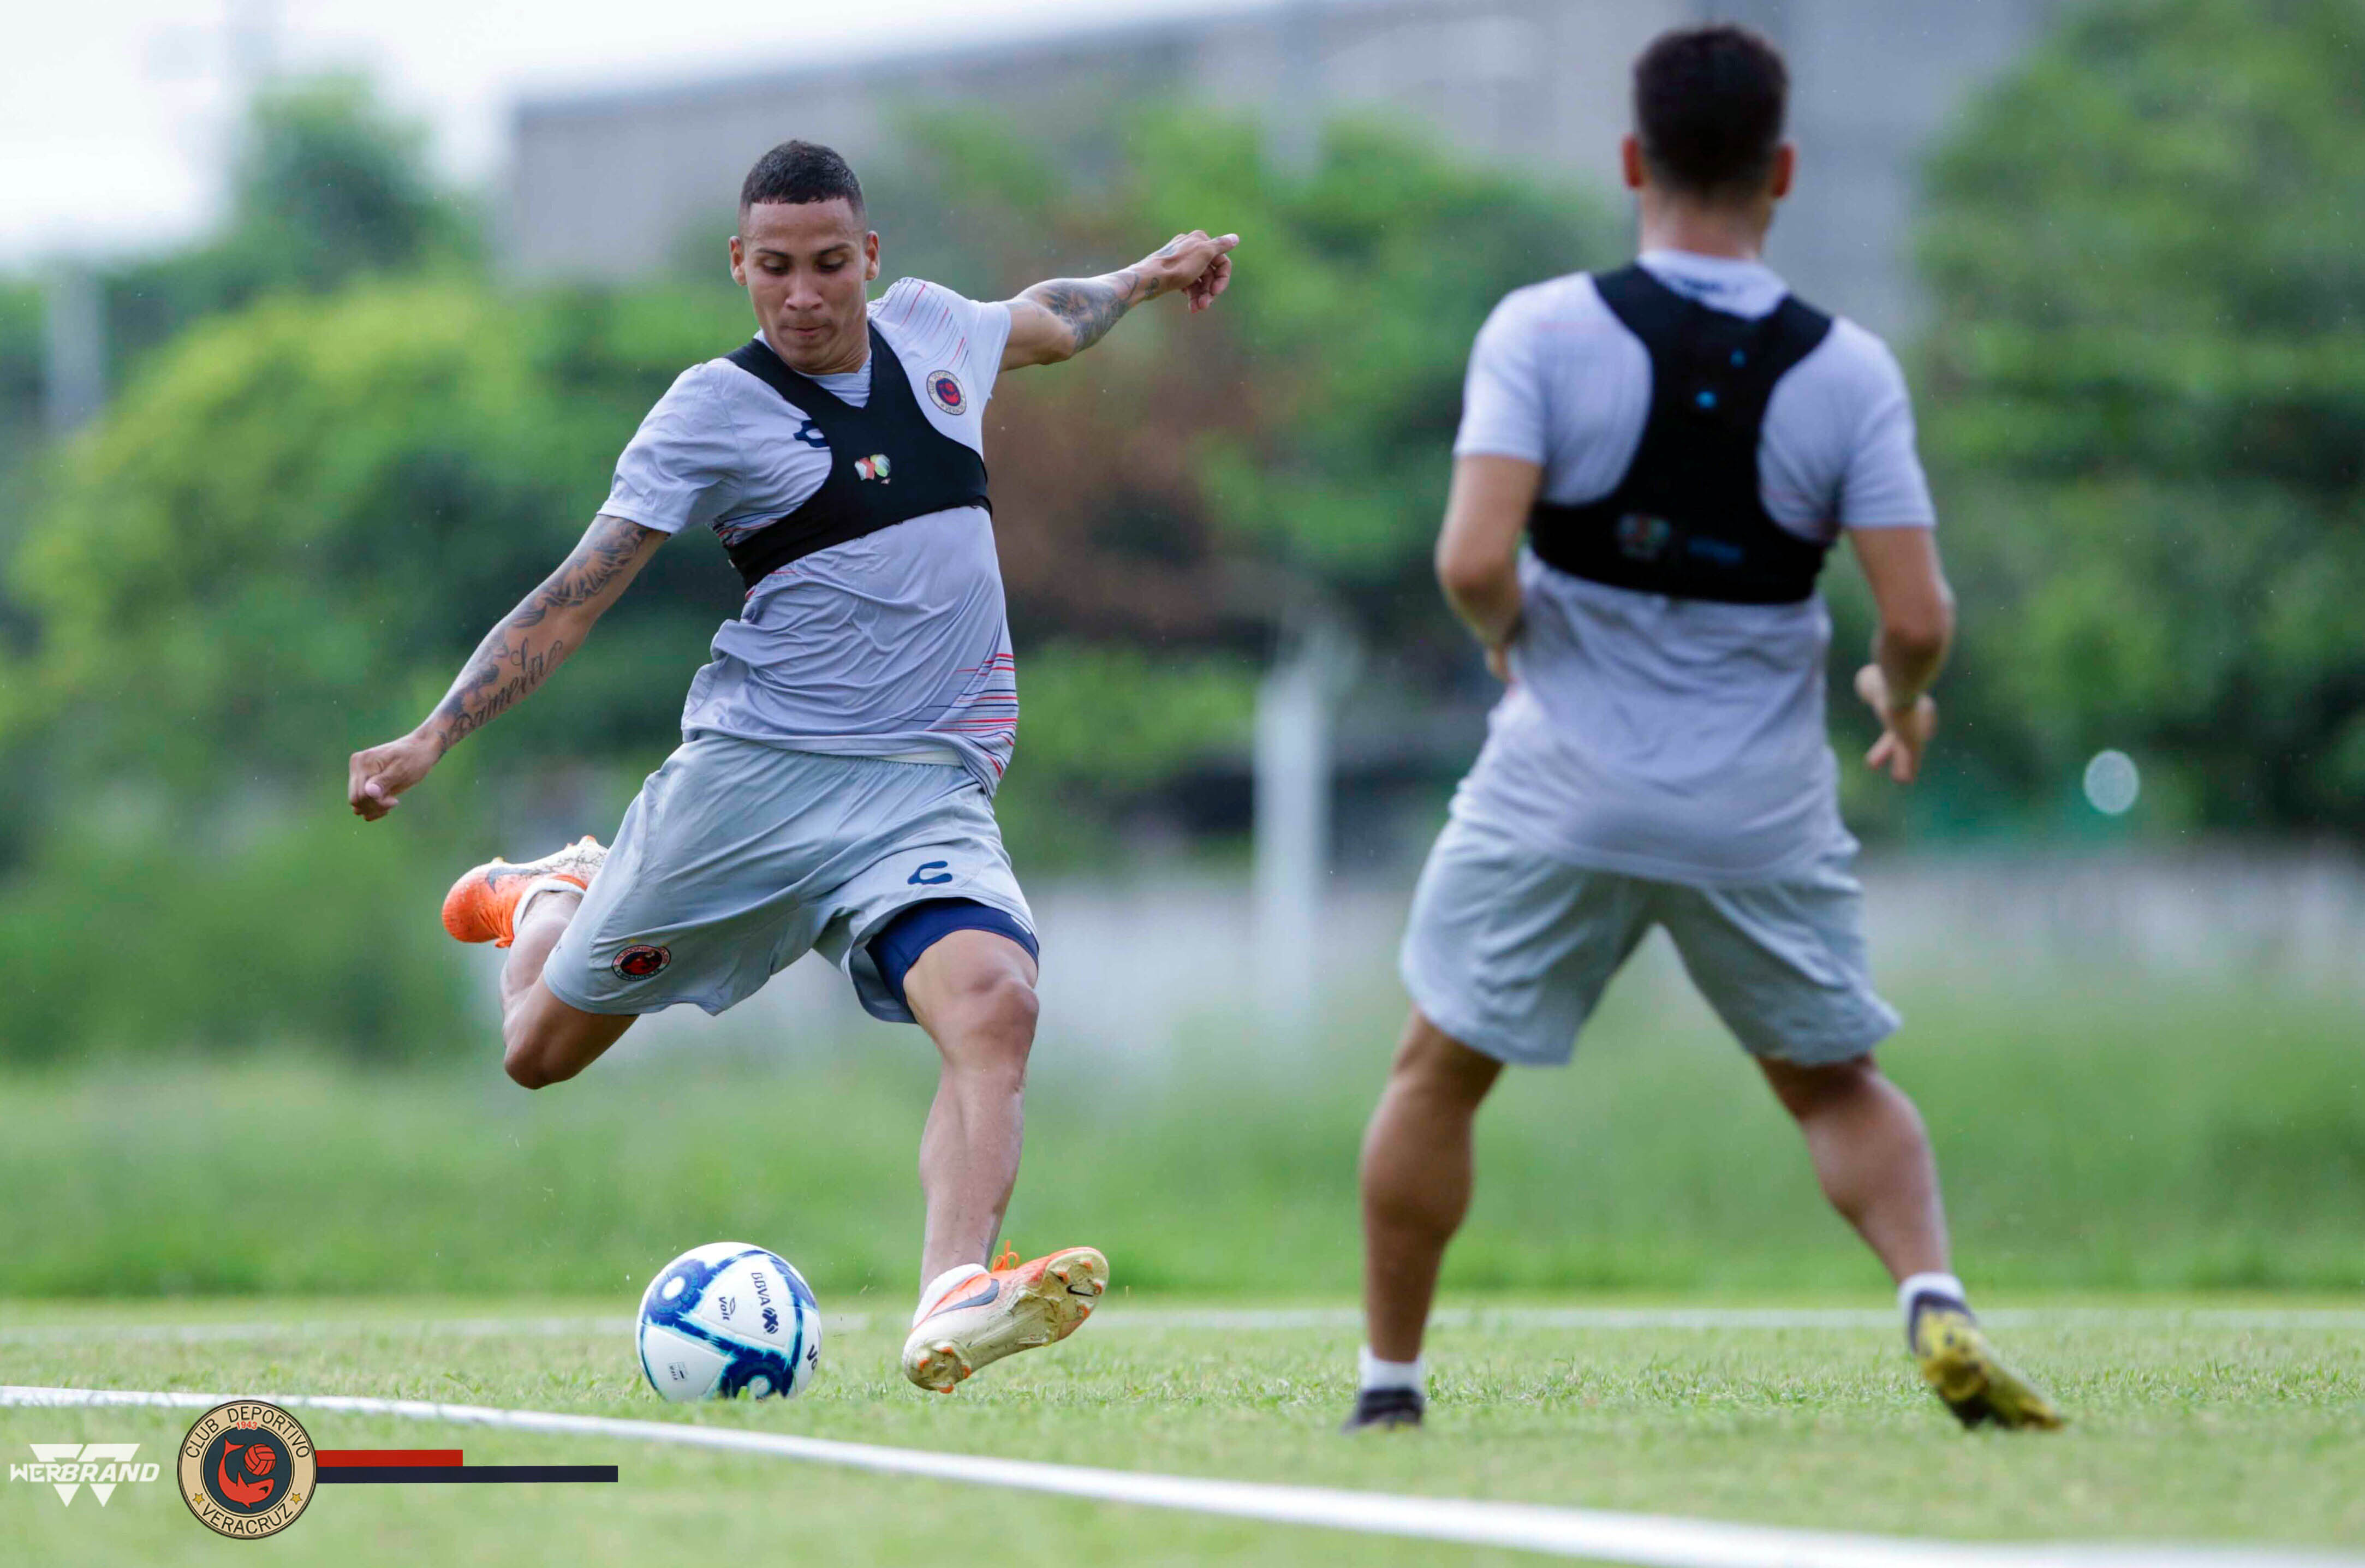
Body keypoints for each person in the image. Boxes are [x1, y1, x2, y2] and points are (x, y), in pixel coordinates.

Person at [347, 139, 1236, 1394]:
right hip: (752, 783)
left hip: (922, 785)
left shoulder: (935, 332)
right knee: (537, 1051)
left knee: (997, 1002)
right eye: (775, 268)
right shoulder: (711, 409)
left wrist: (1148, 274)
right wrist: (434, 734)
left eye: (829, 264)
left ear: (870, 256)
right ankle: (554, 893)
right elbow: (574, 597)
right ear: (739, 264)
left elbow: (1050, 318)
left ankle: (952, 1292)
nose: (804, 294)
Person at [1342, 25, 2060, 1433]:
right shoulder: (1849, 370)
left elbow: (1471, 558)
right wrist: (1901, 694)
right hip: (1757, 806)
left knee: (1438, 1074)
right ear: (1780, 172)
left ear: (1633, 159)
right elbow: (1917, 615)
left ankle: (1390, 1388)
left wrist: (1506, 637)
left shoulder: (1540, 330)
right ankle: (1931, 1297)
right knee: (1836, 1085)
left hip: (1557, 787)